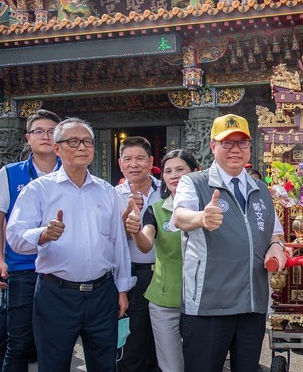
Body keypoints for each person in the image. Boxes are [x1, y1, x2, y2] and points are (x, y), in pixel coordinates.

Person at [5, 117, 133, 371]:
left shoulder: (107, 191)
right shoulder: (38, 190)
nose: (82, 147)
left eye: (87, 142)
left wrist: (122, 288)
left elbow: (117, 244)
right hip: (57, 294)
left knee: (105, 364)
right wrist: (43, 234)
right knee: (53, 364)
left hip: (102, 293)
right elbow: (16, 237)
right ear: (57, 149)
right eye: (73, 141)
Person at [172, 114, 288, 372]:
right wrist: (201, 217)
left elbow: (274, 234)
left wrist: (277, 247)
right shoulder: (195, 183)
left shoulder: (260, 189)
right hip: (209, 304)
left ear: (249, 147)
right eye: (227, 143)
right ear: (213, 146)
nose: (235, 149)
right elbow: (180, 216)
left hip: (251, 303)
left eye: (242, 143)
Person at [0, 109, 62, 372]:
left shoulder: (73, 171)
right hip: (22, 268)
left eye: (52, 132)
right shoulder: (10, 173)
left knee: (55, 342)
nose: (45, 136)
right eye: (39, 131)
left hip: (61, 269)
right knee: (18, 341)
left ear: (60, 139)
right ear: (28, 138)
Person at [125, 149, 200, 372]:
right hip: (165, 300)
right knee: (171, 366)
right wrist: (136, 230)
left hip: (204, 300)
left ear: (195, 173)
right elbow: (146, 243)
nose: (173, 175)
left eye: (180, 169)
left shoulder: (209, 209)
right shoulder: (156, 210)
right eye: (168, 171)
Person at [115, 136, 161, 372]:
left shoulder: (166, 191)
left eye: (140, 158)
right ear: (120, 163)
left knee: (160, 345)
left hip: (162, 276)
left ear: (151, 161)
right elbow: (108, 241)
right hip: (129, 276)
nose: (134, 164)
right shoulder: (112, 194)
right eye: (128, 159)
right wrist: (127, 213)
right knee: (131, 345)